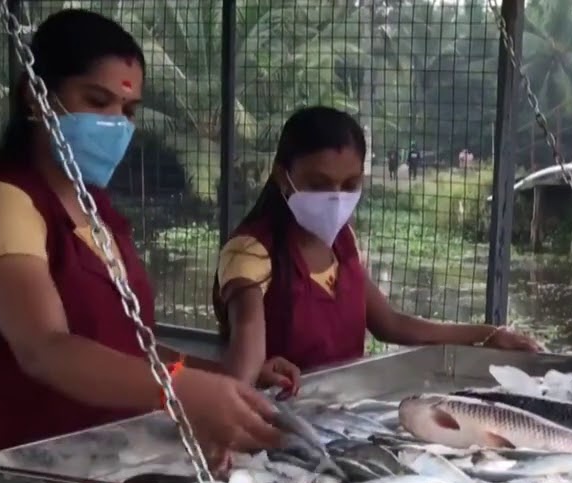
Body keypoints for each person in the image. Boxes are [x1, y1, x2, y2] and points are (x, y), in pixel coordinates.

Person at [0, 9, 293, 483]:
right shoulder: (1, 202)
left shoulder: (97, 210)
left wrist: (220, 381)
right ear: (34, 97)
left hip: (104, 481)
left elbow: (128, 347)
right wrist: (184, 390)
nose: (115, 123)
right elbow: (45, 348)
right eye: (97, 100)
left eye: (128, 109)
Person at [213, 106, 540, 386]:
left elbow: (389, 323)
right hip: (279, 418)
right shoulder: (251, 253)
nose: (336, 197)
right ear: (284, 177)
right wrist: (252, 377)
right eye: (319, 184)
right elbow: (245, 358)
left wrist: (487, 335)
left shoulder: (342, 241)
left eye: (350, 185)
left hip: (343, 409)